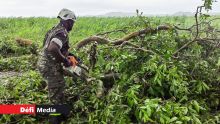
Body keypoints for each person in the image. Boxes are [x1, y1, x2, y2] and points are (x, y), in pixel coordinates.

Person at [37, 8, 76, 124]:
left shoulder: (54, 30)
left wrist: (72, 56)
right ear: (68, 21)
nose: (72, 25)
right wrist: (65, 61)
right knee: (56, 93)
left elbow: (58, 48)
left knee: (60, 87)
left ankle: (62, 113)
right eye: (72, 23)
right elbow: (53, 48)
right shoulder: (62, 33)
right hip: (49, 65)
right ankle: (55, 118)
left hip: (46, 63)